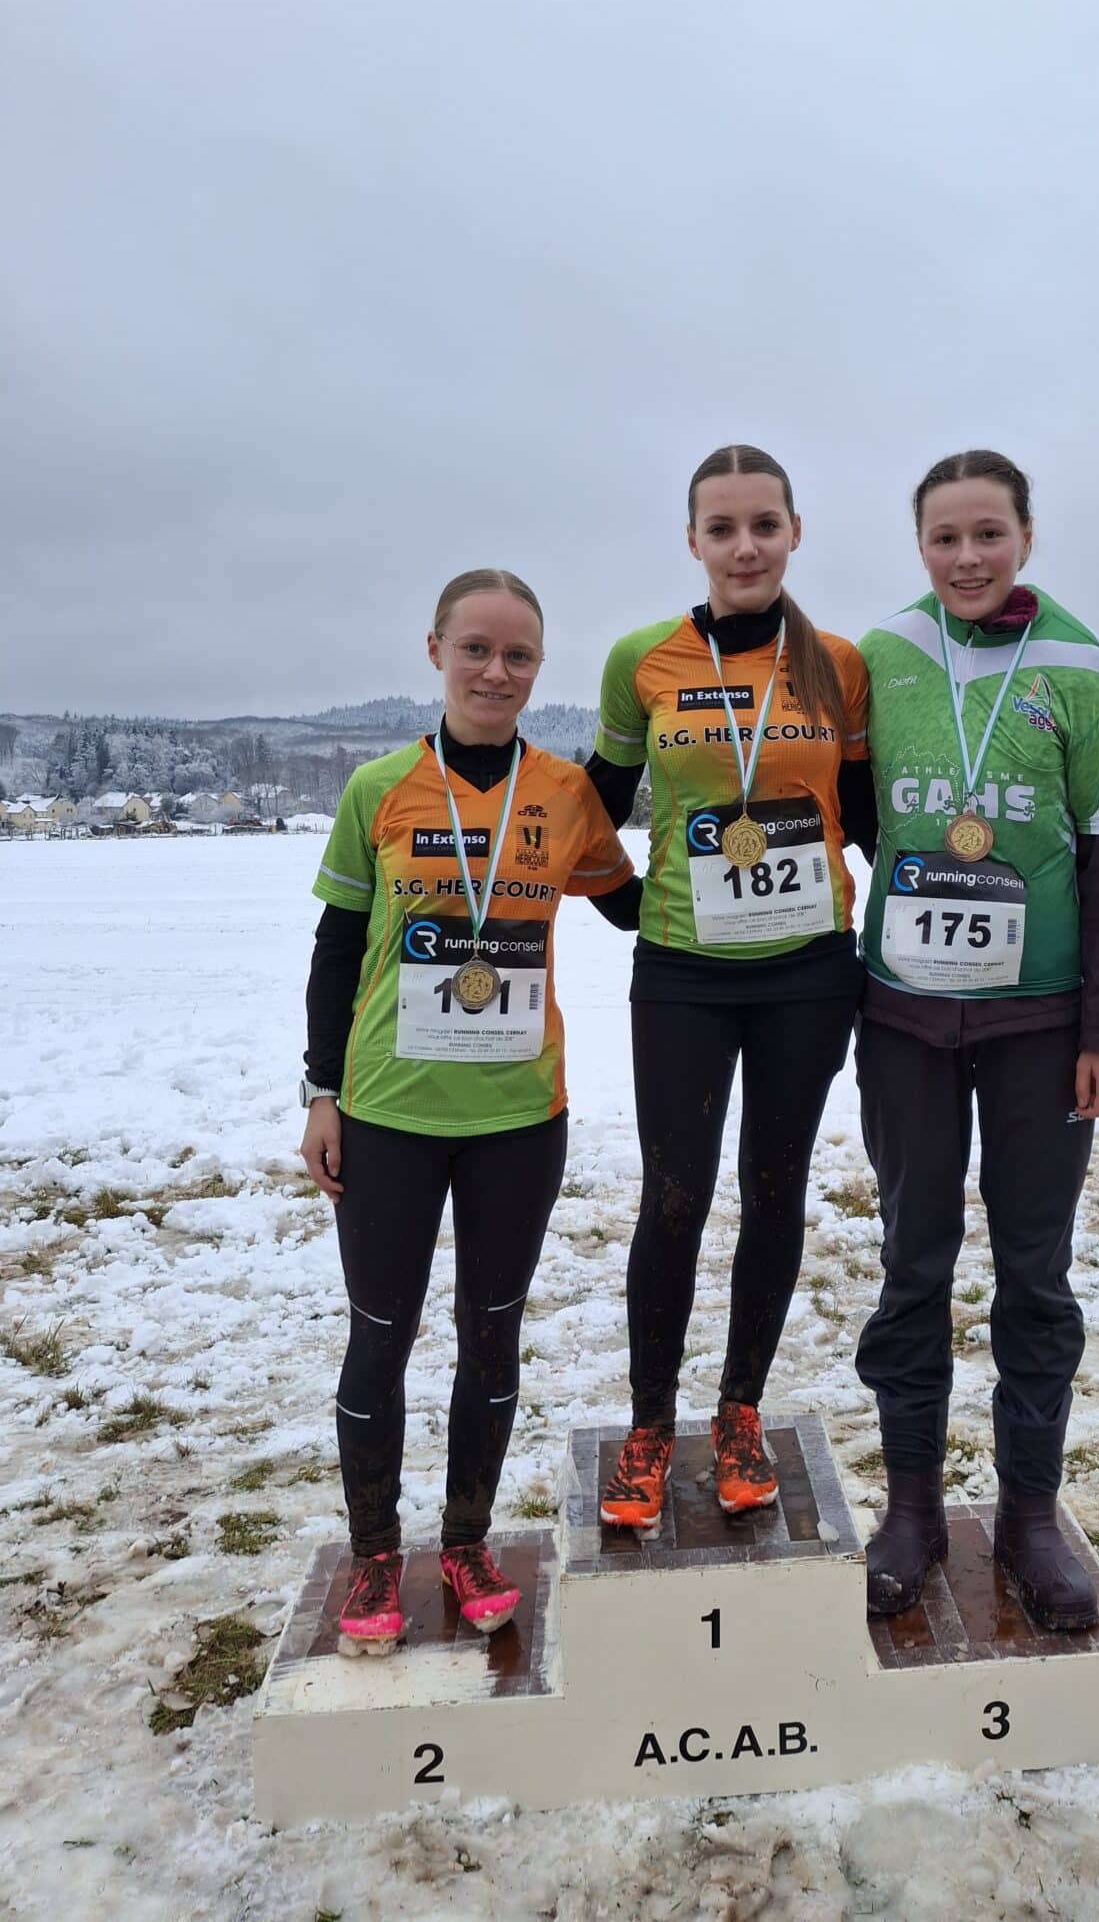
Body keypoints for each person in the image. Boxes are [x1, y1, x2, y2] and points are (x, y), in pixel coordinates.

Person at [299, 569, 638, 1655]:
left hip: (517, 1115)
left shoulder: (566, 794)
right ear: (436, 650)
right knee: (381, 1335)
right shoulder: (380, 788)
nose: (497, 671)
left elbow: (635, 905)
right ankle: (372, 1553)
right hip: (390, 1110)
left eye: (519, 654)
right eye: (476, 649)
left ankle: (466, 1540)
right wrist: (320, 1091)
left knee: (491, 1334)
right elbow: (336, 951)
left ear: (539, 666)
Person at [855, 450, 1099, 1628]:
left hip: (1041, 1022)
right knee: (912, 1262)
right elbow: (847, 809)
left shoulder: (1082, 662)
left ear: (1025, 534)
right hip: (906, 1019)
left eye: (989, 533)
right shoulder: (880, 656)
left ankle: (1030, 1514)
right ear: (919, 544)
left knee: (1035, 1271)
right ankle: (912, 1507)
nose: (968, 557)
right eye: (945, 537)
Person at [585, 444, 874, 1531]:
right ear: (693, 540)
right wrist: (621, 900)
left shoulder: (836, 665)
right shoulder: (641, 661)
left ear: (795, 532)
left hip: (808, 970)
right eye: (722, 527)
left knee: (775, 1186)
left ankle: (741, 1409)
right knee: (674, 1193)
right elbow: (593, 802)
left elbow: (866, 811)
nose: (744, 546)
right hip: (684, 971)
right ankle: (651, 1424)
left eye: (764, 525)